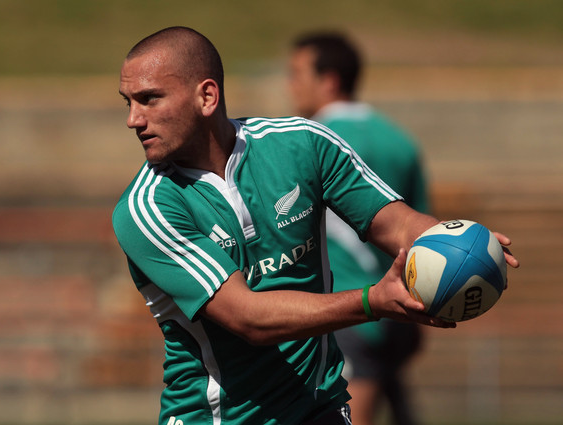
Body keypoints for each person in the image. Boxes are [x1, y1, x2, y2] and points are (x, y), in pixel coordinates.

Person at [113, 26, 518, 425]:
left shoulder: (303, 144)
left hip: (318, 408)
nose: (133, 119)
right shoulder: (146, 209)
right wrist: (372, 302)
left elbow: (398, 225)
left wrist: (461, 243)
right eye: (128, 102)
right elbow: (247, 318)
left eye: (149, 99)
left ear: (207, 96)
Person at [288, 32, 428, 425]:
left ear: (329, 80)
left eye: (296, 74)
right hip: (405, 306)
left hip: (347, 306)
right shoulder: (400, 140)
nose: (290, 85)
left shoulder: (308, 142)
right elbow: (420, 224)